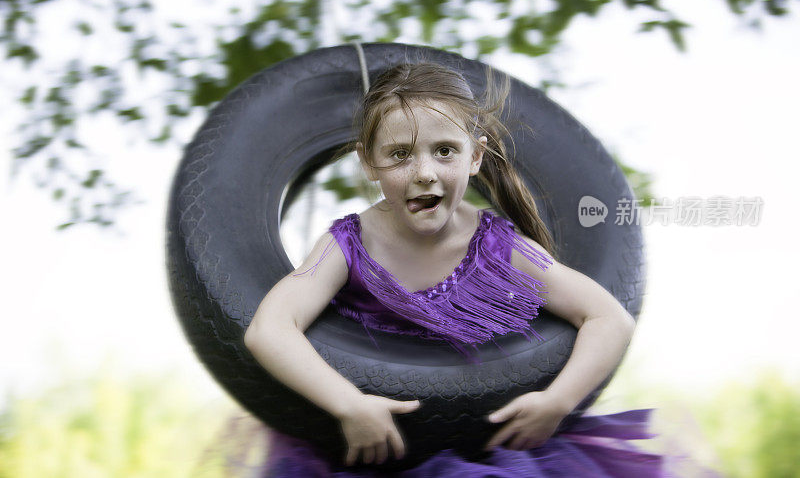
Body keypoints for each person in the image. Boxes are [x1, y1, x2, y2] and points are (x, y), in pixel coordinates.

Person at [242, 61, 670, 477]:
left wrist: (557, 401)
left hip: (483, 451)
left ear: (475, 156)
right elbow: (270, 328)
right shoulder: (350, 243)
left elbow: (608, 317)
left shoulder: (499, 246)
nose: (425, 172)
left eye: (445, 151)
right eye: (400, 154)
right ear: (368, 163)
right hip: (374, 450)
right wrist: (349, 404)